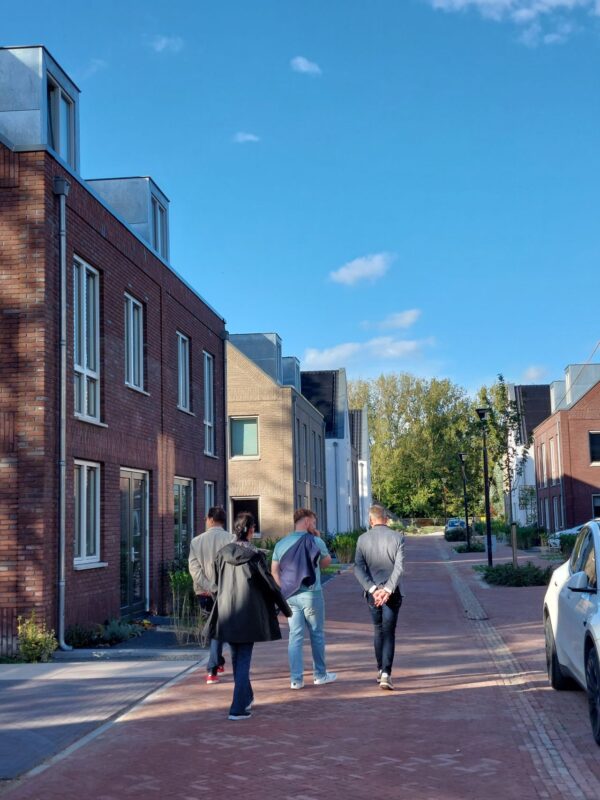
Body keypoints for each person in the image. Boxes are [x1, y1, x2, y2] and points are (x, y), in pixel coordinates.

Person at [205, 511, 292, 720]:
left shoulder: (222, 554)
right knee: (243, 658)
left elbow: (216, 584)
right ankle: (238, 707)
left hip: (227, 613)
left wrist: (221, 601)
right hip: (248, 614)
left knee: (237, 657)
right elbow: (269, 585)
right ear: (251, 530)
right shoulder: (255, 556)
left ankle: (246, 696)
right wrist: (284, 608)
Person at [271, 509, 337, 690]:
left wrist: (283, 590)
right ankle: (320, 675)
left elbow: (274, 571)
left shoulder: (281, 544)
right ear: (307, 522)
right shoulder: (315, 541)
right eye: (313, 523)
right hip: (312, 594)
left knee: (295, 636)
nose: (314, 526)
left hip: (290, 597)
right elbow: (326, 562)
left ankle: (296, 680)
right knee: (317, 634)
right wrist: (318, 540)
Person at [354, 504, 405, 691]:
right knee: (389, 631)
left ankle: (380, 669)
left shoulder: (362, 539)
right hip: (392, 592)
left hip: (372, 593)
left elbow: (358, 567)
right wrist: (388, 589)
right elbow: (399, 568)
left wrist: (373, 589)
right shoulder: (397, 537)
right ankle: (386, 674)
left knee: (378, 630)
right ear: (386, 518)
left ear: (370, 520)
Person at [188, 506, 235, 685]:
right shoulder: (231, 539)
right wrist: (220, 587)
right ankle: (215, 665)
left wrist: (209, 586)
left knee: (214, 627)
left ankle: (213, 668)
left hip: (205, 592)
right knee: (219, 627)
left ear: (210, 519)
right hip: (226, 591)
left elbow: (195, 570)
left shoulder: (196, 541)